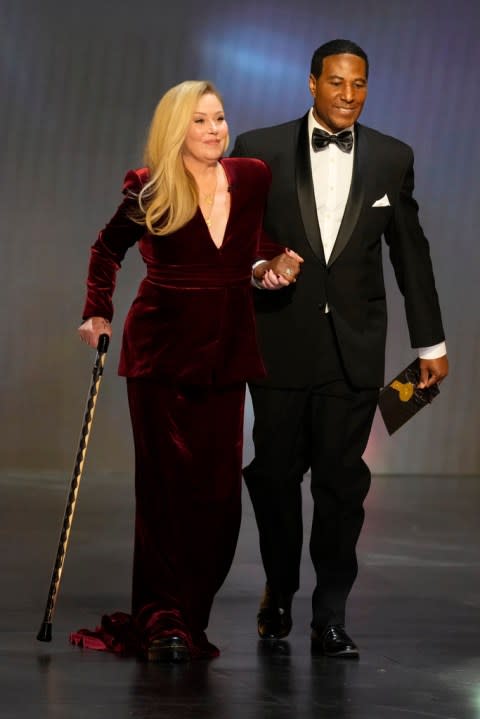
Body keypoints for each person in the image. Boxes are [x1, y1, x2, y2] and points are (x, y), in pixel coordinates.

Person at [231, 39, 448, 658]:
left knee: (341, 484)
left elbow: (412, 256)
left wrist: (430, 343)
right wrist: (257, 268)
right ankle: (280, 586)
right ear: (310, 84)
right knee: (272, 477)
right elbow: (239, 241)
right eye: (336, 84)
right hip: (278, 343)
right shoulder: (259, 148)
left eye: (359, 85)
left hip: (354, 350)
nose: (348, 96)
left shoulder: (390, 156)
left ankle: (330, 614)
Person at [72, 80, 301, 663]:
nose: (214, 130)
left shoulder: (250, 177)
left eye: (219, 119)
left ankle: (190, 610)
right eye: (199, 121)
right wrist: (97, 310)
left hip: (226, 353)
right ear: (176, 128)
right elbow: (107, 247)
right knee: (165, 491)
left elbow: (253, 250)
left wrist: (269, 267)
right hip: (161, 353)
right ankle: (162, 619)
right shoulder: (148, 187)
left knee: (219, 496)